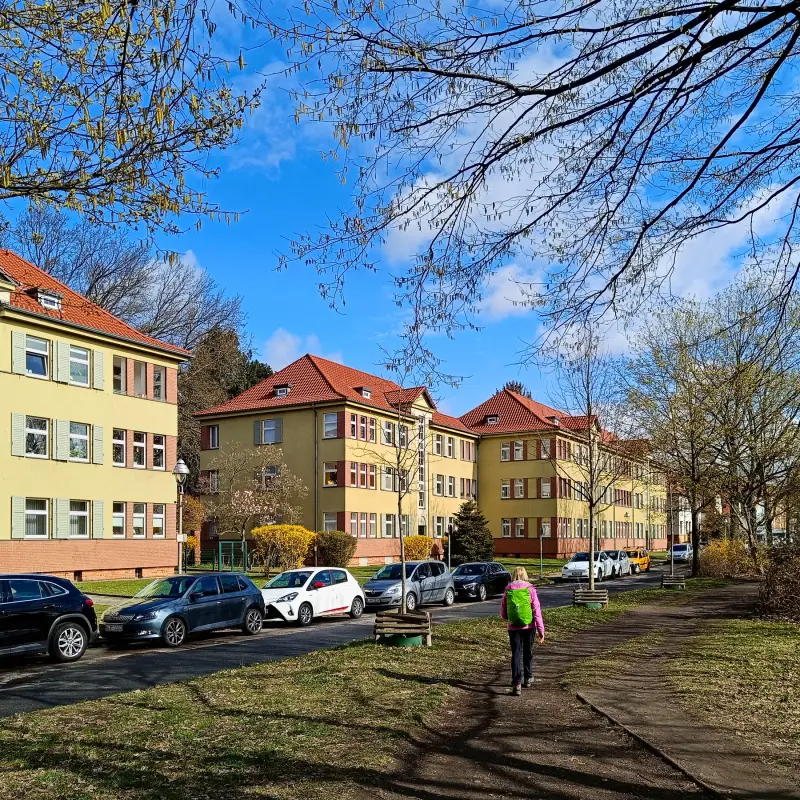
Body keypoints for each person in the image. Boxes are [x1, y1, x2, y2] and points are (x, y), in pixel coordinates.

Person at [500, 566, 545, 696]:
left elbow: (503, 609)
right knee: (527, 651)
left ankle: (516, 683)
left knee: (516, 653)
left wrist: (507, 617)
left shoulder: (508, 589)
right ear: (525, 575)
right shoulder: (530, 589)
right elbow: (536, 610)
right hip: (529, 626)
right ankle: (528, 677)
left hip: (513, 627)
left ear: (513, 575)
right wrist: (541, 630)